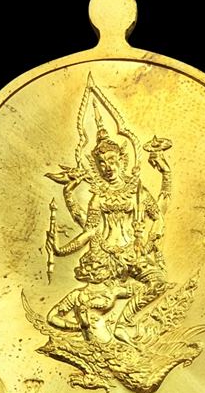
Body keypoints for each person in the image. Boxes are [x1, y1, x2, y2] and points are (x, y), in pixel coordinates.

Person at [47, 129, 170, 340]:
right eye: (102, 163)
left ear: (122, 160)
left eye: (111, 160)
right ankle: (88, 327)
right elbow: (89, 230)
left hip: (133, 253)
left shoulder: (138, 192)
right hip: (105, 257)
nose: (107, 167)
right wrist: (62, 250)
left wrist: (148, 242)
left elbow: (158, 216)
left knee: (158, 283)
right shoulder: (98, 198)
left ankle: (124, 322)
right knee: (97, 300)